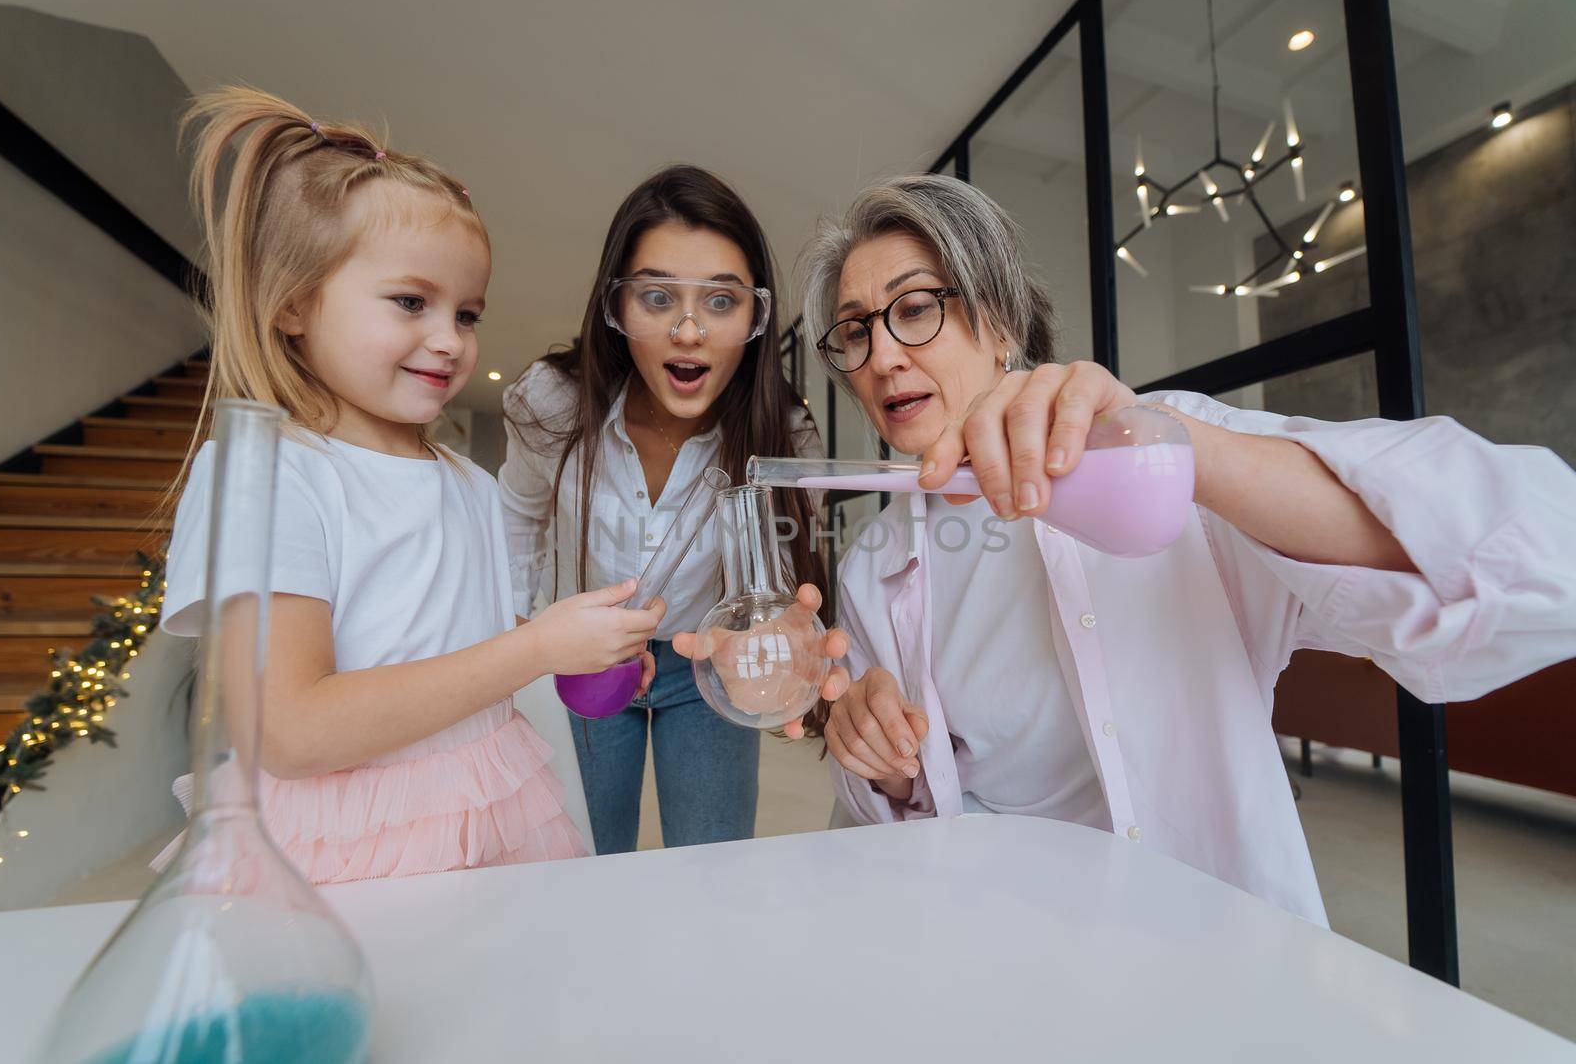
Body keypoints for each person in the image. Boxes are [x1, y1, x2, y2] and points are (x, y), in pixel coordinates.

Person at [786, 174, 1576, 923]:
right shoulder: (873, 564)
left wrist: (1178, 451)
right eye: (854, 331)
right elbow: (918, 810)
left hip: (1202, 945)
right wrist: (885, 763)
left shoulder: (1152, 449)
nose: (882, 356)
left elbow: (1541, 555)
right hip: (1002, 944)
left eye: (915, 308)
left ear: (999, 322)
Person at [156, 86, 660, 883]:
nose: (448, 339)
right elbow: (288, 730)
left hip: (497, 807)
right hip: (349, 849)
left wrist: (577, 650)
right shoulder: (267, 474)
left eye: (466, 313)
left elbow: (461, 647)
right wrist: (531, 647)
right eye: (410, 301)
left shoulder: (468, 481)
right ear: (293, 305)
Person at [500, 166, 828, 853]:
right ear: (616, 307)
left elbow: (782, 571)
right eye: (657, 297)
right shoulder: (553, 403)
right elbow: (518, 522)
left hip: (704, 665)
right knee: (581, 858)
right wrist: (522, 642)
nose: (688, 331)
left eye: (720, 301)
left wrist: (782, 646)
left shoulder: (782, 436)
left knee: (714, 865)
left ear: (754, 318)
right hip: (579, 655)